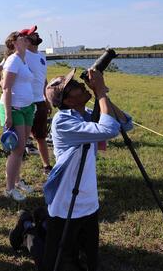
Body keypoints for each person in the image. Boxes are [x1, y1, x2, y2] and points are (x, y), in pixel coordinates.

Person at [37, 68, 133, 270]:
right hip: (65, 201)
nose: (81, 85)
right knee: (55, 260)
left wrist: (102, 96)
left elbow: (125, 123)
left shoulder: (87, 114)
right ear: (68, 101)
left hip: (88, 198)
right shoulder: (62, 121)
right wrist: (100, 94)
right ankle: (28, 230)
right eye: (73, 87)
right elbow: (108, 129)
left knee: (90, 257)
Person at [0, 30, 35, 202]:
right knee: (17, 149)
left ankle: (17, 180)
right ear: (14, 43)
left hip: (27, 108)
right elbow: (6, 88)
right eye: (22, 37)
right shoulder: (13, 60)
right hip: (15, 108)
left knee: (21, 148)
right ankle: (9, 189)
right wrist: (8, 114)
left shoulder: (23, 59)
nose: (26, 38)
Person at [21, 25, 53, 175]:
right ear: (27, 39)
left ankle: (46, 166)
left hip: (39, 101)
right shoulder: (22, 55)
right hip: (25, 103)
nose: (37, 34)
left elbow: (43, 79)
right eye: (34, 33)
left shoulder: (41, 55)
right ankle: (16, 171)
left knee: (41, 136)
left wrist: (46, 99)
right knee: (20, 138)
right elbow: (2, 71)